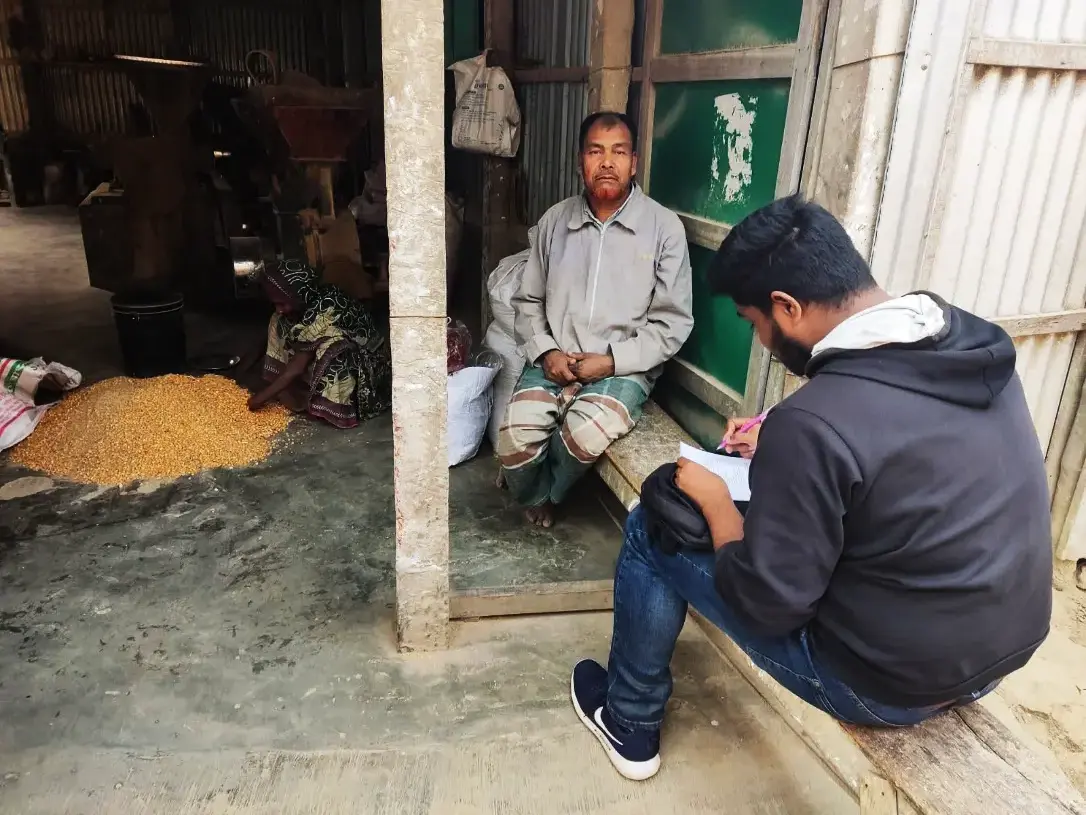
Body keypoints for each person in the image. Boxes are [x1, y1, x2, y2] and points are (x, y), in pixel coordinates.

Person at [569, 195, 1052, 781]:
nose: (761, 341)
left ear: (787, 307)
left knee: (656, 524)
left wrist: (719, 503)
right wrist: (780, 435)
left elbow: (767, 606)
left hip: (889, 684)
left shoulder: (817, 424)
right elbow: (893, 436)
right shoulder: (968, 344)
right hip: (1001, 651)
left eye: (754, 324)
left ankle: (628, 721)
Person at [498, 112, 694, 528]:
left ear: (634, 162)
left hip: (622, 368)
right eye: (596, 151)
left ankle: (550, 495)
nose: (607, 162)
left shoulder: (663, 229)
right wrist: (546, 351)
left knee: (583, 436)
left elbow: (672, 322)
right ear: (580, 161)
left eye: (619, 152)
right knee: (514, 442)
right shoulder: (556, 221)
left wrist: (610, 361)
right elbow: (528, 300)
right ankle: (532, 486)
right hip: (555, 362)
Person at [248, 258, 392, 427]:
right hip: (314, 345)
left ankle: (335, 406)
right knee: (278, 320)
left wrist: (259, 399)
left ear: (299, 295)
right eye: (276, 303)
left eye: (283, 303)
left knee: (333, 349)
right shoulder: (306, 301)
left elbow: (297, 367)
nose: (279, 308)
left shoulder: (326, 310)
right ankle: (291, 392)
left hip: (367, 362)